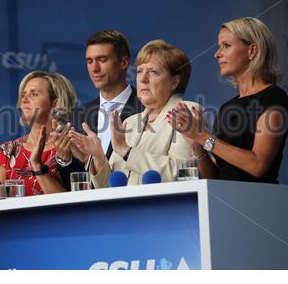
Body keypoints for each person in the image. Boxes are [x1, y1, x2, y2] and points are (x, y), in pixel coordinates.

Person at [167, 17, 288, 183]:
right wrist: (197, 145)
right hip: (224, 204)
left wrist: (203, 136)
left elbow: (258, 165)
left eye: (226, 46)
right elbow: (215, 177)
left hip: (259, 202)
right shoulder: (228, 107)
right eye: (219, 47)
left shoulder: (273, 97)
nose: (217, 54)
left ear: (252, 50)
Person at [70, 40, 202, 186]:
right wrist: (98, 157)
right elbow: (108, 187)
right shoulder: (130, 122)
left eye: (153, 72)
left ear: (174, 82)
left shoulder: (186, 113)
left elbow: (180, 173)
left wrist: (126, 151)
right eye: (139, 71)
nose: (143, 79)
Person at [52, 30, 144, 185]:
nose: (94, 68)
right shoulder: (77, 117)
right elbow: (73, 186)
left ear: (124, 63)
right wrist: (64, 159)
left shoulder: (146, 108)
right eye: (89, 61)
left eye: (102, 59)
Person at [0, 70, 77, 200]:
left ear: (55, 103)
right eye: (23, 95)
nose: (25, 99)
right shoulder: (9, 149)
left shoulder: (72, 145)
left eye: (34, 94)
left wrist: (38, 167)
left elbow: (69, 203)